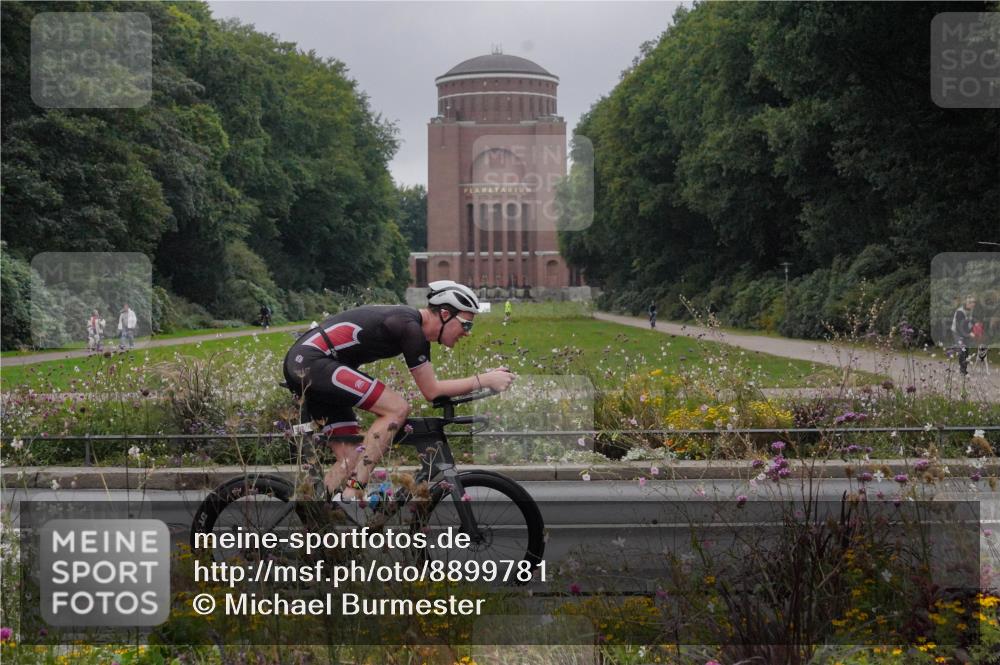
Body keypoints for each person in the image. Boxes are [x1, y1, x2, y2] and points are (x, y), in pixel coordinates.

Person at [282, 280, 515, 505]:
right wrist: (484, 379)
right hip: (312, 361)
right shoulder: (409, 327)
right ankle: (353, 493)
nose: (467, 333)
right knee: (397, 408)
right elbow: (432, 391)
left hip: (315, 364)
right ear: (445, 314)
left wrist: (484, 381)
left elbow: (431, 388)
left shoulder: (414, 330)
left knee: (351, 457)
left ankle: (320, 518)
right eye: (466, 324)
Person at [951, 294, 977, 375]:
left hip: (965, 332)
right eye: (971, 302)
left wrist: (975, 327)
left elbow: (969, 323)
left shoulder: (971, 311)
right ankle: (962, 371)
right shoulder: (960, 312)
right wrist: (969, 334)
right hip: (957, 332)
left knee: (966, 351)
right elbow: (960, 328)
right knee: (962, 349)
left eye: (974, 302)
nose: (973, 304)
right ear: (966, 303)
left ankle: (964, 369)